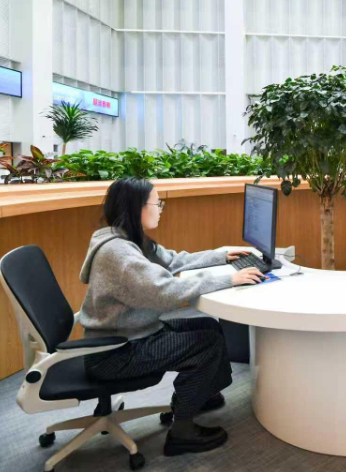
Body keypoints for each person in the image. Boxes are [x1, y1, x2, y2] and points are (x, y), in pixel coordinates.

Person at [78, 177, 266, 456]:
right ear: (138, 208)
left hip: (130, 334)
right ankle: (182, 432)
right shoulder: (119, 254)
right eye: (157, 204)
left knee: (208, 326)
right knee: (205, 345)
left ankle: (198, 396)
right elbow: (165, 292)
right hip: (115, 353)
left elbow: (173, 260)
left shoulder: (125, 237)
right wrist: (230, 279)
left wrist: (220, 256)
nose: (161, 209)